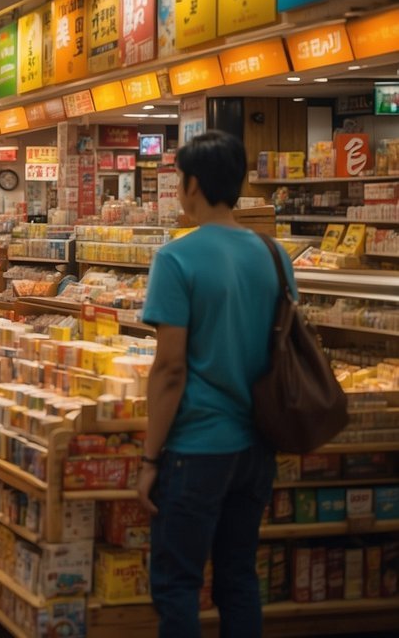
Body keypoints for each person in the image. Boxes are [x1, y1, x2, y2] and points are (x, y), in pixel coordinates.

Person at [139, 131, 289, 638]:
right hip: (258, 445)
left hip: (197, 445)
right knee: (239, 578)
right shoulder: (273, 254)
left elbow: (170, 369)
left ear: (192, 184)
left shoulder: (177, 258)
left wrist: (149, 458)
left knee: (178, 584)